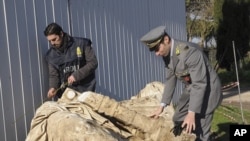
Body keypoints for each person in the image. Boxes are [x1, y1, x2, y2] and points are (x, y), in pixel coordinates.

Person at [140, 26, 223, 141]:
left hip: (209, 90)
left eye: (157, 48)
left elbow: (199, 84)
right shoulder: (167, 54)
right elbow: (170, 79)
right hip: (192, 89)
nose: (156, 54)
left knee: (199, 129)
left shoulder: (189, 53)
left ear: (166, 40)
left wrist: (191, 113)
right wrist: (162, 106)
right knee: (178, 119)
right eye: (154, 50)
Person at [44, 22, 98, 99]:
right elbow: (54, 75)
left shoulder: (82, 44)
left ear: (61, 34)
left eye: (54, 39)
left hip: (86, 90)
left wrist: (76, 75)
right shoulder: (50, 55)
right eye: (50, 41)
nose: (52, 43)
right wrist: (53, 88)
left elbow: (93, 63)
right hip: (66, 95)